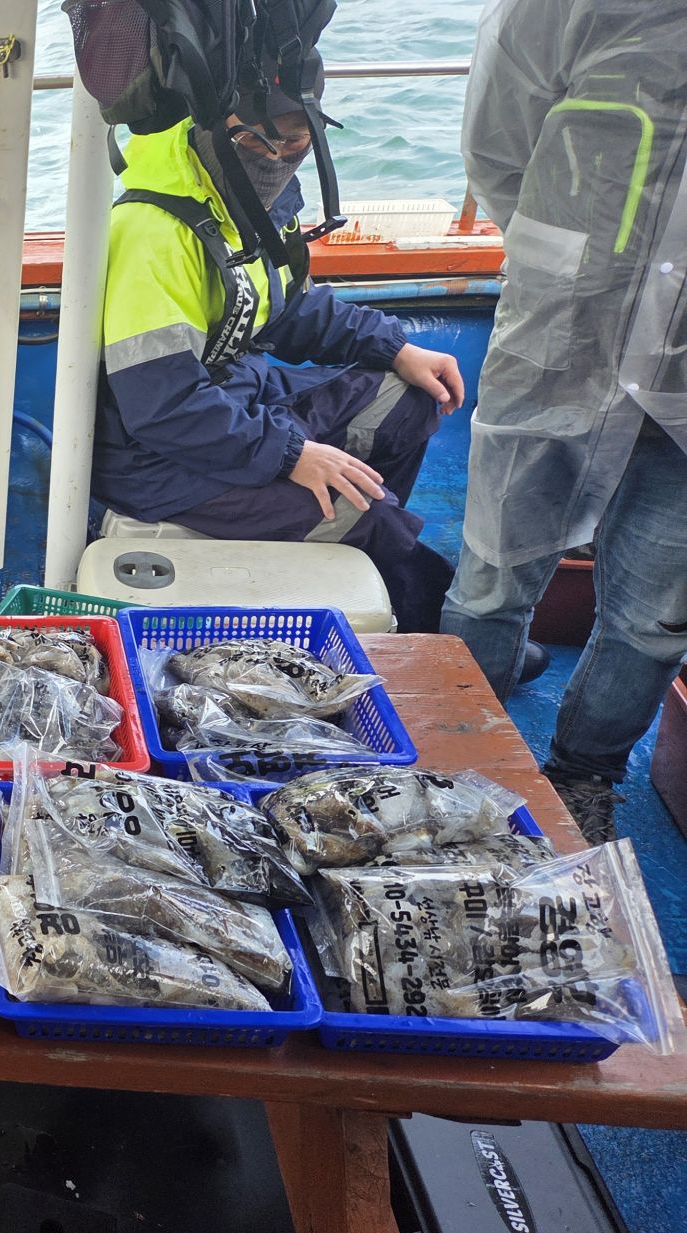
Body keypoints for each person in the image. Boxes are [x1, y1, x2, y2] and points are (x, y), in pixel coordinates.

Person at [93, 70, 470, 636]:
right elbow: (163, 408)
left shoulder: (256, 202)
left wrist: (397, 348)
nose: (278, 158)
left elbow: (287, 308)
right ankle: (420, 623)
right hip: (158, 461)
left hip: (246, 407)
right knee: (365, 512)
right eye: (258, 140)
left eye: (297, 141)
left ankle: (330, 552)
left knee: (409, 399)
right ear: (212, 130)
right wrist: (292, 456)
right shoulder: (153, 233)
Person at [443, 0, 687, 843]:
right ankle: (459, 763)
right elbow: (497, 151)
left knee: (653, 618)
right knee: (492, 578)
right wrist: (572, 267)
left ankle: (585, 774)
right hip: (562, 337)